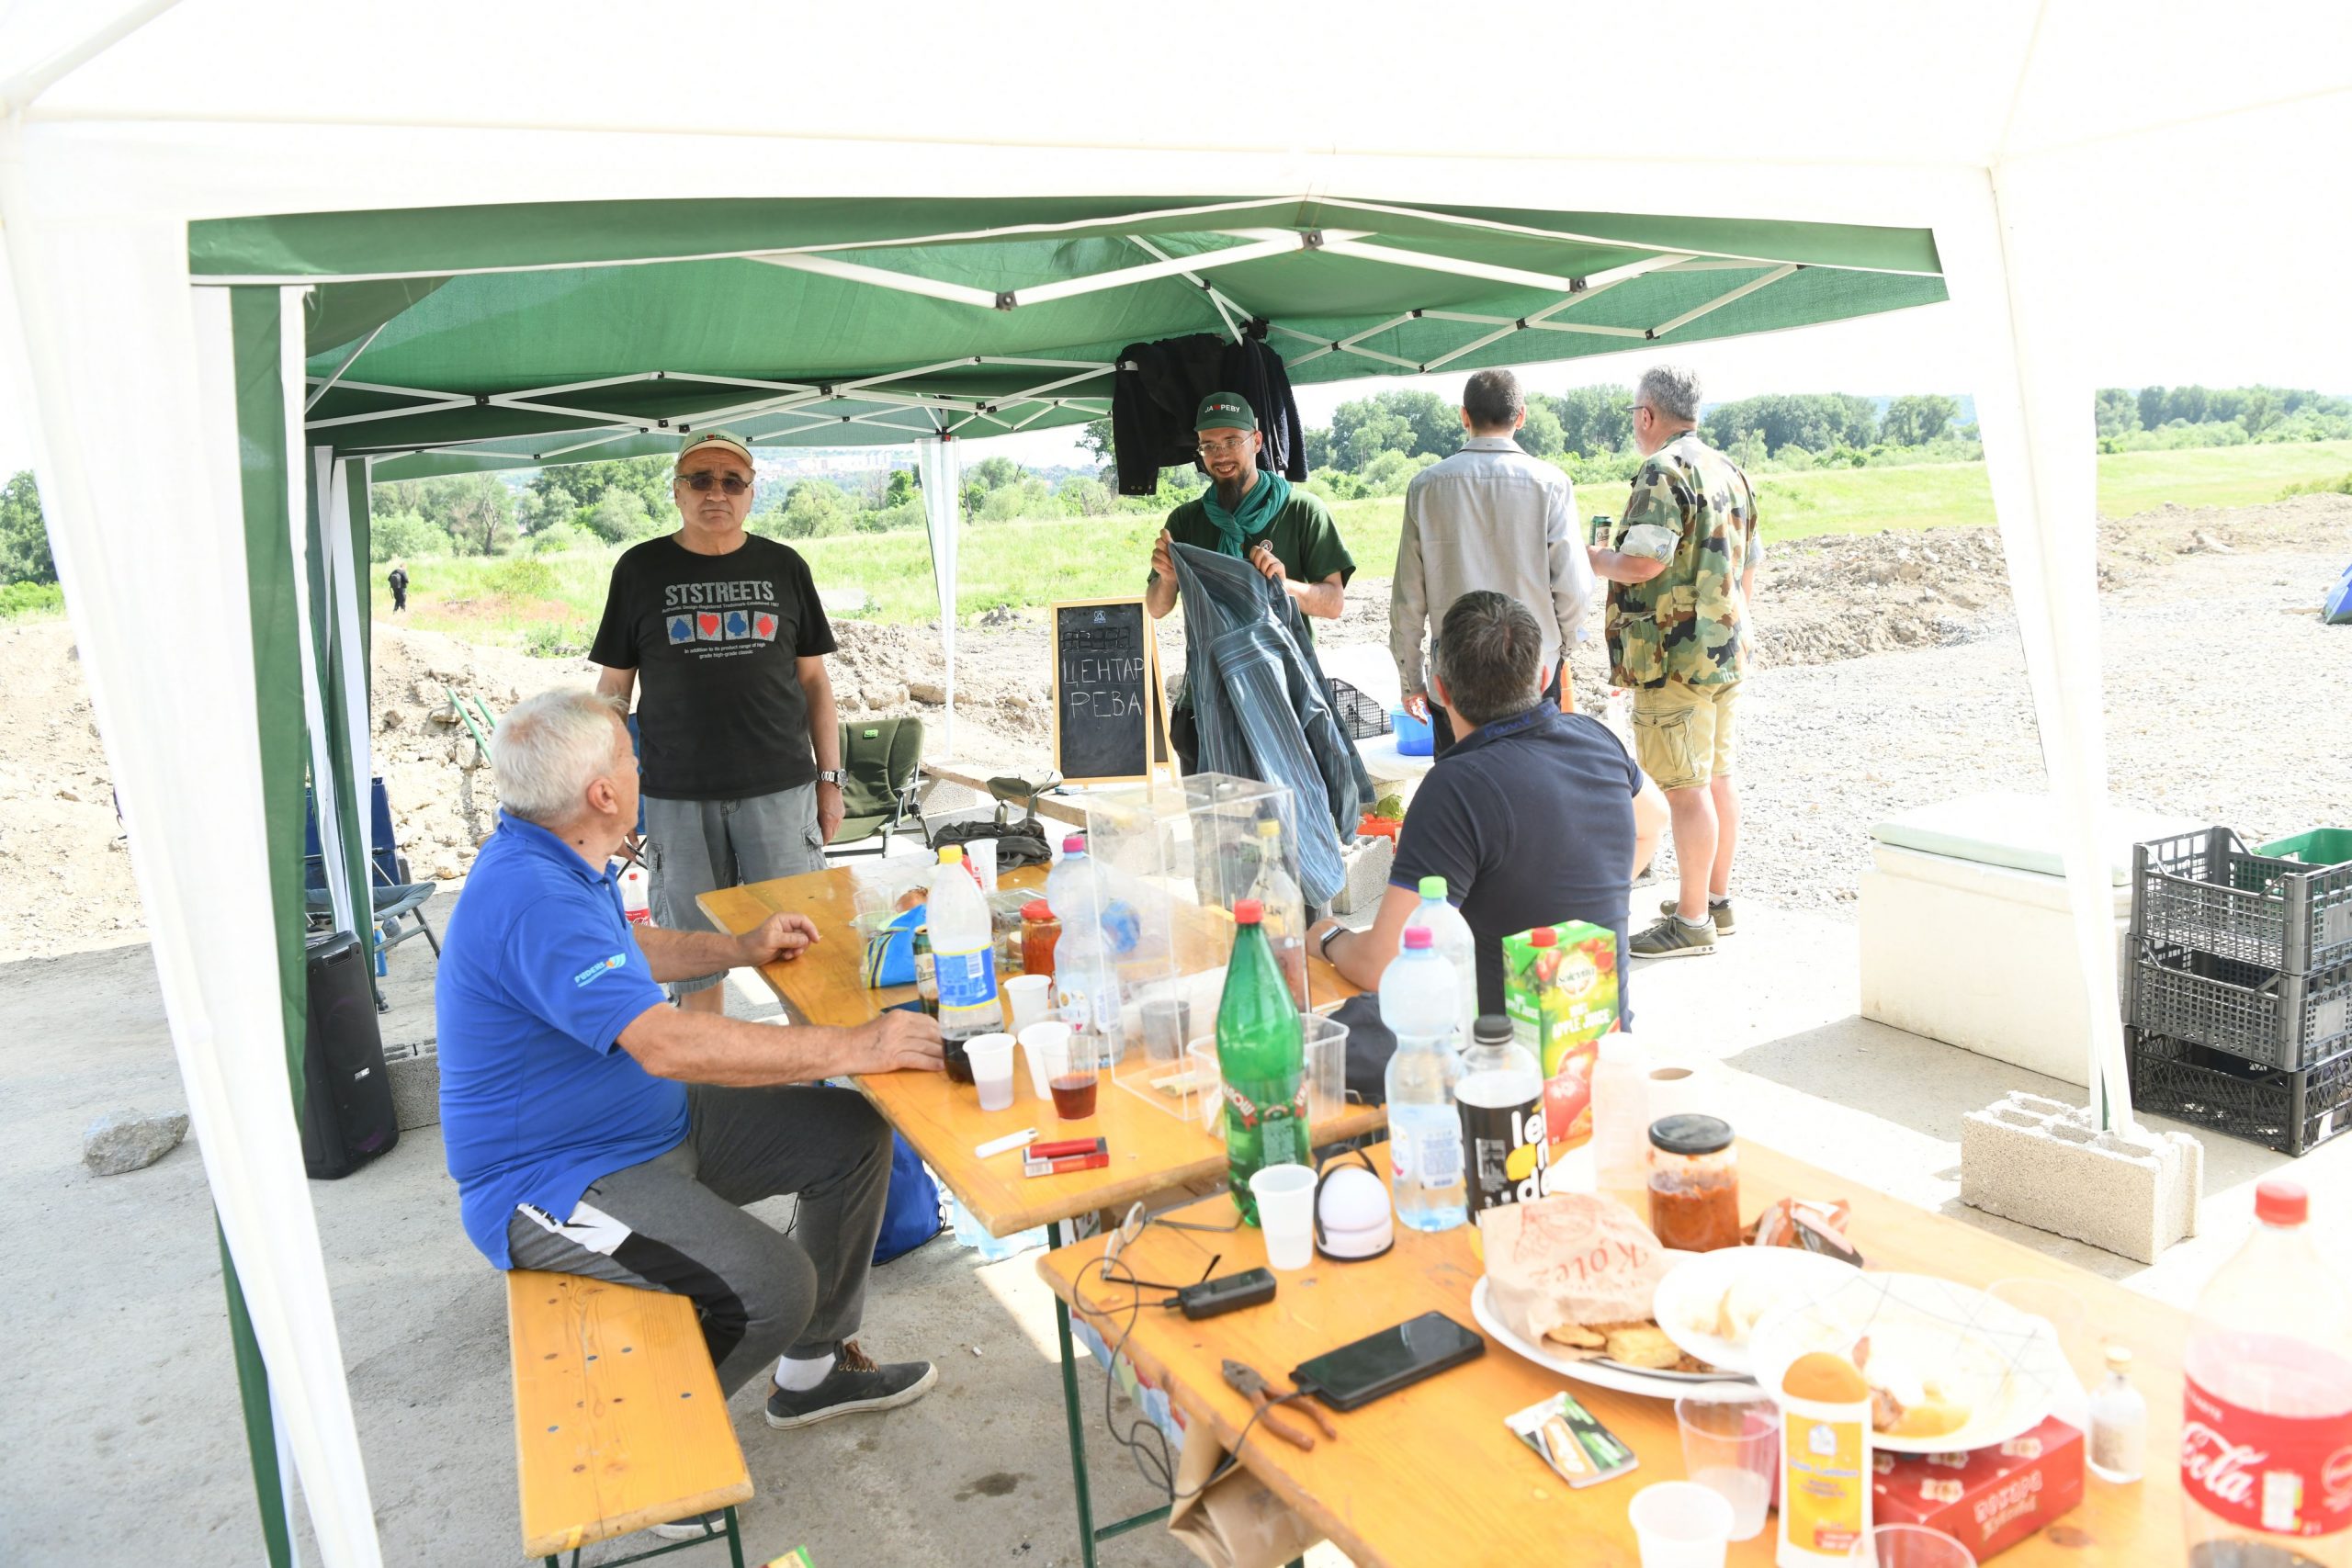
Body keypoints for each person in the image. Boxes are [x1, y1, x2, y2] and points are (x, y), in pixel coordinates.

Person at [436, 690, 942, 1536]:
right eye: (629, 758)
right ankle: (652, 1453)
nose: (641, 767)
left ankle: (812, 1373)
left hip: (648, 1126)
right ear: (603, 794)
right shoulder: (532, 894)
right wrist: (856, 1045)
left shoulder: (556, 852)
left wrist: (737, 950)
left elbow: (627, 950)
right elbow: (666, 1045)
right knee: (774, 1286)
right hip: (552, 1183)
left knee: (850, 1135)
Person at [1309, 592, 1665, 1015]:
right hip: (1597, 1039)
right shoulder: (1597, 739)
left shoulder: (1455, 788)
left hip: (1498, 1064)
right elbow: (1654, 820)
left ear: (1441, 689)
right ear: (1542, 677)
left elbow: (1383, 964)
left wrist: (1329, 937)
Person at [591, 430, 847, 1013]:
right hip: (677, 797)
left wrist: (829, 783)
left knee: (802, 952)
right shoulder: (638, 569)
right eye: (700, 479)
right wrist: (613, 789)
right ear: (677, 492)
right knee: (694, 960)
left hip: (781, 790)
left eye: (733, 481)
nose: (717, 492)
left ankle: (819, 1089)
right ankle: (711, 1100)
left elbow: (814, 684)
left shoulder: (785, 566)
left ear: (751, 494)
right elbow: (612, 691)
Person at [1586, 366, 1761, 960]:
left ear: (1647, 415)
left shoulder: (1662, 471)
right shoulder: (1729, 470)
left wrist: (1598, 559)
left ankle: (1690, 923)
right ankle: (1713, 900)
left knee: (1685, 791)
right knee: (1716, 778)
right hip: (1724, 652)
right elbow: (1749, 564)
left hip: (1673, 657)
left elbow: (1644, 562)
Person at [1147, 391, 1354, 773]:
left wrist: (1281, 584)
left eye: (1231, 442)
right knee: (1217, 826)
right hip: (1207, 697)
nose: (1220, 455)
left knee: (1288, 821)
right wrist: (1167, 578)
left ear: (1256, 441)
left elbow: (1333, 603)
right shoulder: (1185, 522)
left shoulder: (1303, 511)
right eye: (1209, 446)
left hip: (1282, 695)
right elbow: (1157, 608)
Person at [1391, 367, 1594, 751]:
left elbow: (1407, 600)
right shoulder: (1551, 483)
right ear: (1521, 416)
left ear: (1464, 415)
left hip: (1455, 674)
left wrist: (1412, 681)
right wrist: (1563, 647)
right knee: (1534, 788)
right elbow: (1574, 587)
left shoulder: (1425, 486)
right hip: (1532, 667)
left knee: (1463, 796)